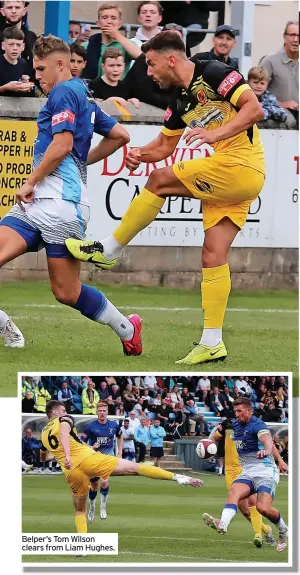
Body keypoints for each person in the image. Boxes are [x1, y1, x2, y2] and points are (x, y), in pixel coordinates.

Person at [66, 31, 265, 365]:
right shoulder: (180, 100)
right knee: (212, 254)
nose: (148, 71)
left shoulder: (213, 72)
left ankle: (110, 249)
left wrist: (214, 134)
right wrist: (140, 154)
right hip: (233, 175)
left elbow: (254, 108)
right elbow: (163, 148)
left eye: (151, 63)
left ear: (170, 59)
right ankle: (212, 341)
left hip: (241, 165)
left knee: (160, 180)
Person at [0, 34, 143, 356]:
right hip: (39, 204)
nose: (36, 75)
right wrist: (80, 162)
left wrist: (30, 181)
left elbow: (63, 144)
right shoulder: (84, 95)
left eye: (40, 68)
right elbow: (120, 134)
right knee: (64, 290)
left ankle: (126, 326)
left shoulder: (64, 91)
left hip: (62, 207)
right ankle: (5, 325)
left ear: (60, 64)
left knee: (65, 291)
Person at [41, 400, 202, 534]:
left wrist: (62, 456)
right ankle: (178, 477)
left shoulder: (43, 434)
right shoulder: (64, 419)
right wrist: (69, 455)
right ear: (55, 413)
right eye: (62, 410)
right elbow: (63, 432)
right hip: (88, 460)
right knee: (135, 468)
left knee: (80, 510)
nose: (65, 411)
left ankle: (83, 545)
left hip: (70, 472)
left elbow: (44, 456)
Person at [203, 397, 288, 552]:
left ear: (249, 411)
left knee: (263, 508)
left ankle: (283, 530)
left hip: (266, 471)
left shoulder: (257, 424)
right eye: (235, 411)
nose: (237, 414)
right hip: (247, 472)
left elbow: (268, 441)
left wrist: (268, 451)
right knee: (234, 492)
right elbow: (214, 436)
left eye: (240, 411)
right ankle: (223, 524)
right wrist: (207, 444)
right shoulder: (234, 424)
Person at [81, 401, 122, 521]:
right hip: (93, 459)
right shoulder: (90, 427)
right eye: (100, 411)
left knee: (104, 482)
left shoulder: (114, 425)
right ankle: (92, 507)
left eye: (104, 411)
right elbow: (81, 441)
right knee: (94, 486)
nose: (102, 413)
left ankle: (103, 507)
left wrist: (119, 452)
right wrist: (91, 447)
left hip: (107, 458)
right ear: (97, 412)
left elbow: (120, 436)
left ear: (107, 412)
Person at [84, 3, 141, 80]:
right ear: (98, 23)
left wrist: (117, 35)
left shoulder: (126, 44)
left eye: (113, 18)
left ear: (120, 24)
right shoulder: (88, 45)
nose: (109, 21)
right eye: (104, 17)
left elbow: (141, 56)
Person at [259, 21, 299, 127]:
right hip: (279, 119)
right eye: (292, 35)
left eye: (298, 36)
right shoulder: (270, 61)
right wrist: (282, 104)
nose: (296, 40)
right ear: (284, 36)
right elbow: (255, 93)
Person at [0, 0, 37, 71]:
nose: (13, 11)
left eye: (17, 7)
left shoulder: (31, 37)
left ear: (24, 11)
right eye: (9, 7)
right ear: (2, 11)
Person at [0, 26, 34, 96]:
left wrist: (26, 85)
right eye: (11, 44)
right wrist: (6, 87)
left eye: (18, 45)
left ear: (23, 47)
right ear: (3, 46)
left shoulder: (23, 64)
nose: (15, 48)